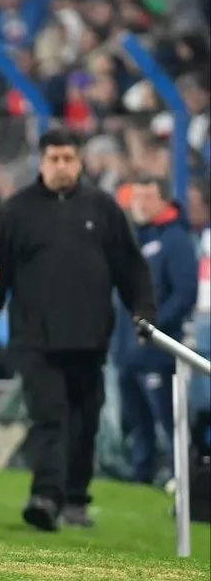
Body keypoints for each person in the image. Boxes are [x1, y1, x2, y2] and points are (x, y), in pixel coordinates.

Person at [0, 127, 156, 532]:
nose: (62, 166)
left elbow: (131, 268)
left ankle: (74, 497)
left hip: (90, 338)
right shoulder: (17, 211)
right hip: (36, 340)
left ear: (80, 161)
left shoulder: (103, 209)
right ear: (42, 161)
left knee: (85, 420)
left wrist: (143, 311)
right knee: (49, 416)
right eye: (54, 159)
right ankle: (46, 497)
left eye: (69, 158)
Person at [112, 176, 198, 486]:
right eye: (137, 198)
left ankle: (184, 479)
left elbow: (185, 293)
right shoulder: (134, 239)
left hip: (158, 351)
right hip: (127, 350)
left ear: (164, 200)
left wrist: (154, 329)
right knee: (137, 421)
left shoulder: (175, 240)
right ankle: (142, 477)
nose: (141, 204)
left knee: (169, 418)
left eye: (148, 197)